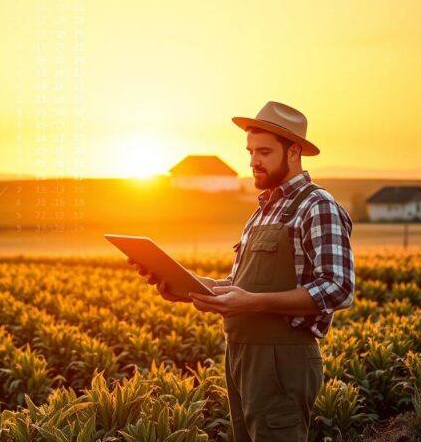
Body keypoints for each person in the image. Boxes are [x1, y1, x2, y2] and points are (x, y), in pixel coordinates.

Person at [131, 100, 355, 442]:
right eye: (250, 151)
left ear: (294, 151)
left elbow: (338, 288)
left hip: (282, 359)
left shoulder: (317, 205)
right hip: (240, 354)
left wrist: (253, 304)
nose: (253, 161)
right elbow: (241, 285)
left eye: (264, 151)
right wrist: (189, 286)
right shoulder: (263, 210)